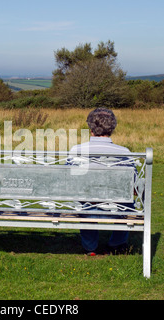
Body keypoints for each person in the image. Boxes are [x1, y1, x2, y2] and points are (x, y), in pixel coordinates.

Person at [69, 108, 131, 256]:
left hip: (86, 207)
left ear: (91, 129)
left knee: (83, 198)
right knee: (127, 202)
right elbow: (132, 184)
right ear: (112, 129)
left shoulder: (76, 150)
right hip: (118, 208)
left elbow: (69, 180)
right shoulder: (125, 152)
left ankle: (90, 247)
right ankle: (116, 244)